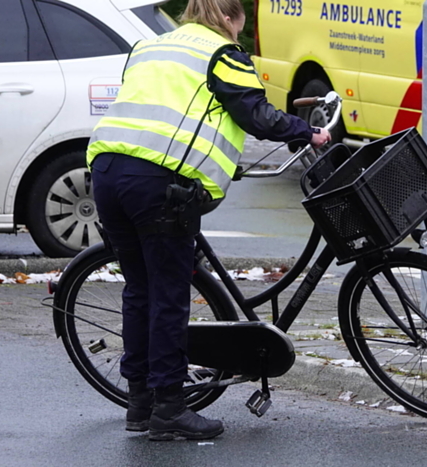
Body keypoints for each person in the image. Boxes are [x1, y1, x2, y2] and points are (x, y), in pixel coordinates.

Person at [86, 0, 331, 441]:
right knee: (168, 296)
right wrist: (306, 131)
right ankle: (169, 410)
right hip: (158, 185)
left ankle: (139, 404)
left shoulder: (149, 47)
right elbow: (257, 114)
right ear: (232, 18)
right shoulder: (223, 54)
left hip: (106, 173)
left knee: (140, 290)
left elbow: (177, 109)